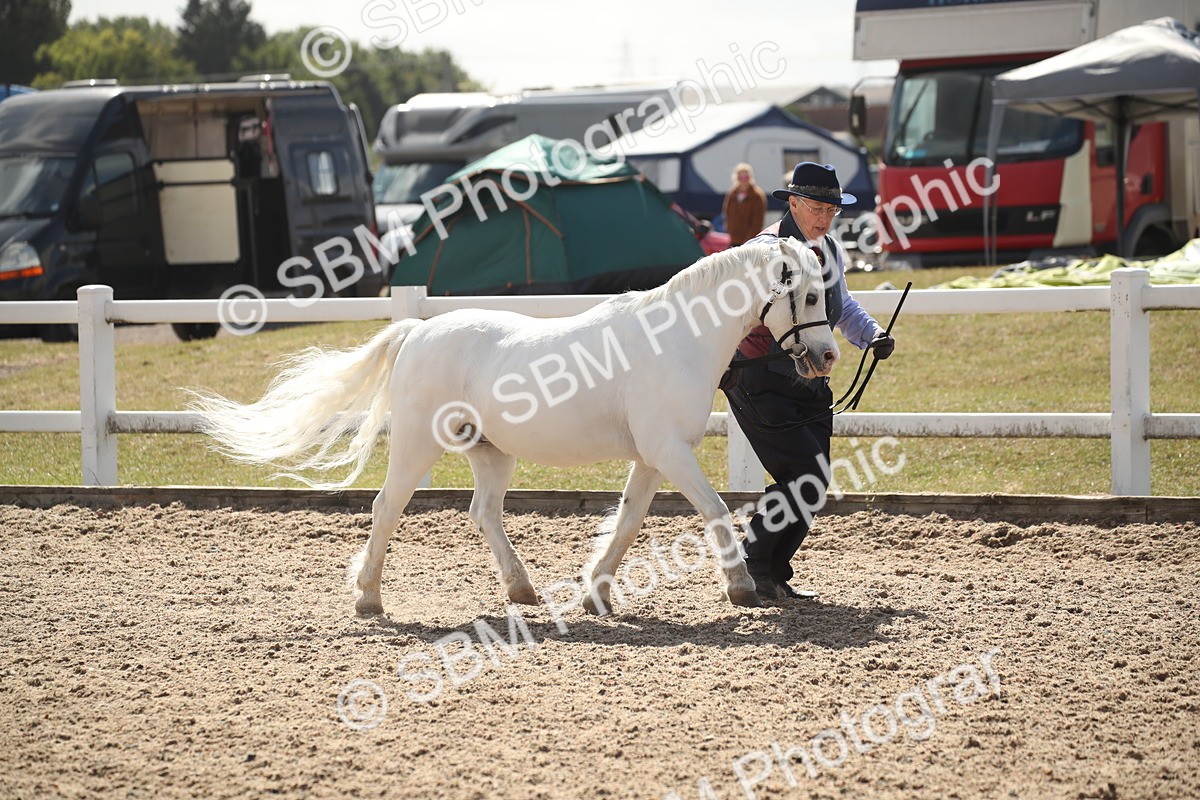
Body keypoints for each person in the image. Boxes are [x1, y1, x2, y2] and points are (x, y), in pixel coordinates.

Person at [721, 162, 896, 601]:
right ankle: (756, 563)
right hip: (760, 377)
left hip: (811, 380)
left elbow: (841, 304)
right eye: (817, 207)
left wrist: (871, 335)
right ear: (794, 203)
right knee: (804, 470)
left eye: (832, 209)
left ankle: (770, 572)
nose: (825, 217)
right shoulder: (765, 252)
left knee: (813, 479)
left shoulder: (830, 250)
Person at [721, 162, 767, 246]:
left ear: (750, 177)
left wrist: (749, 239)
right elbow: (726, 213)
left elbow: (758, 221)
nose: (743, 180)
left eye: (746, 177)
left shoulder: (757, 195)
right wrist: (729, 230)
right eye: (740, 177)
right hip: (733, 239)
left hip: (749, 241)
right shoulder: (732, 194)